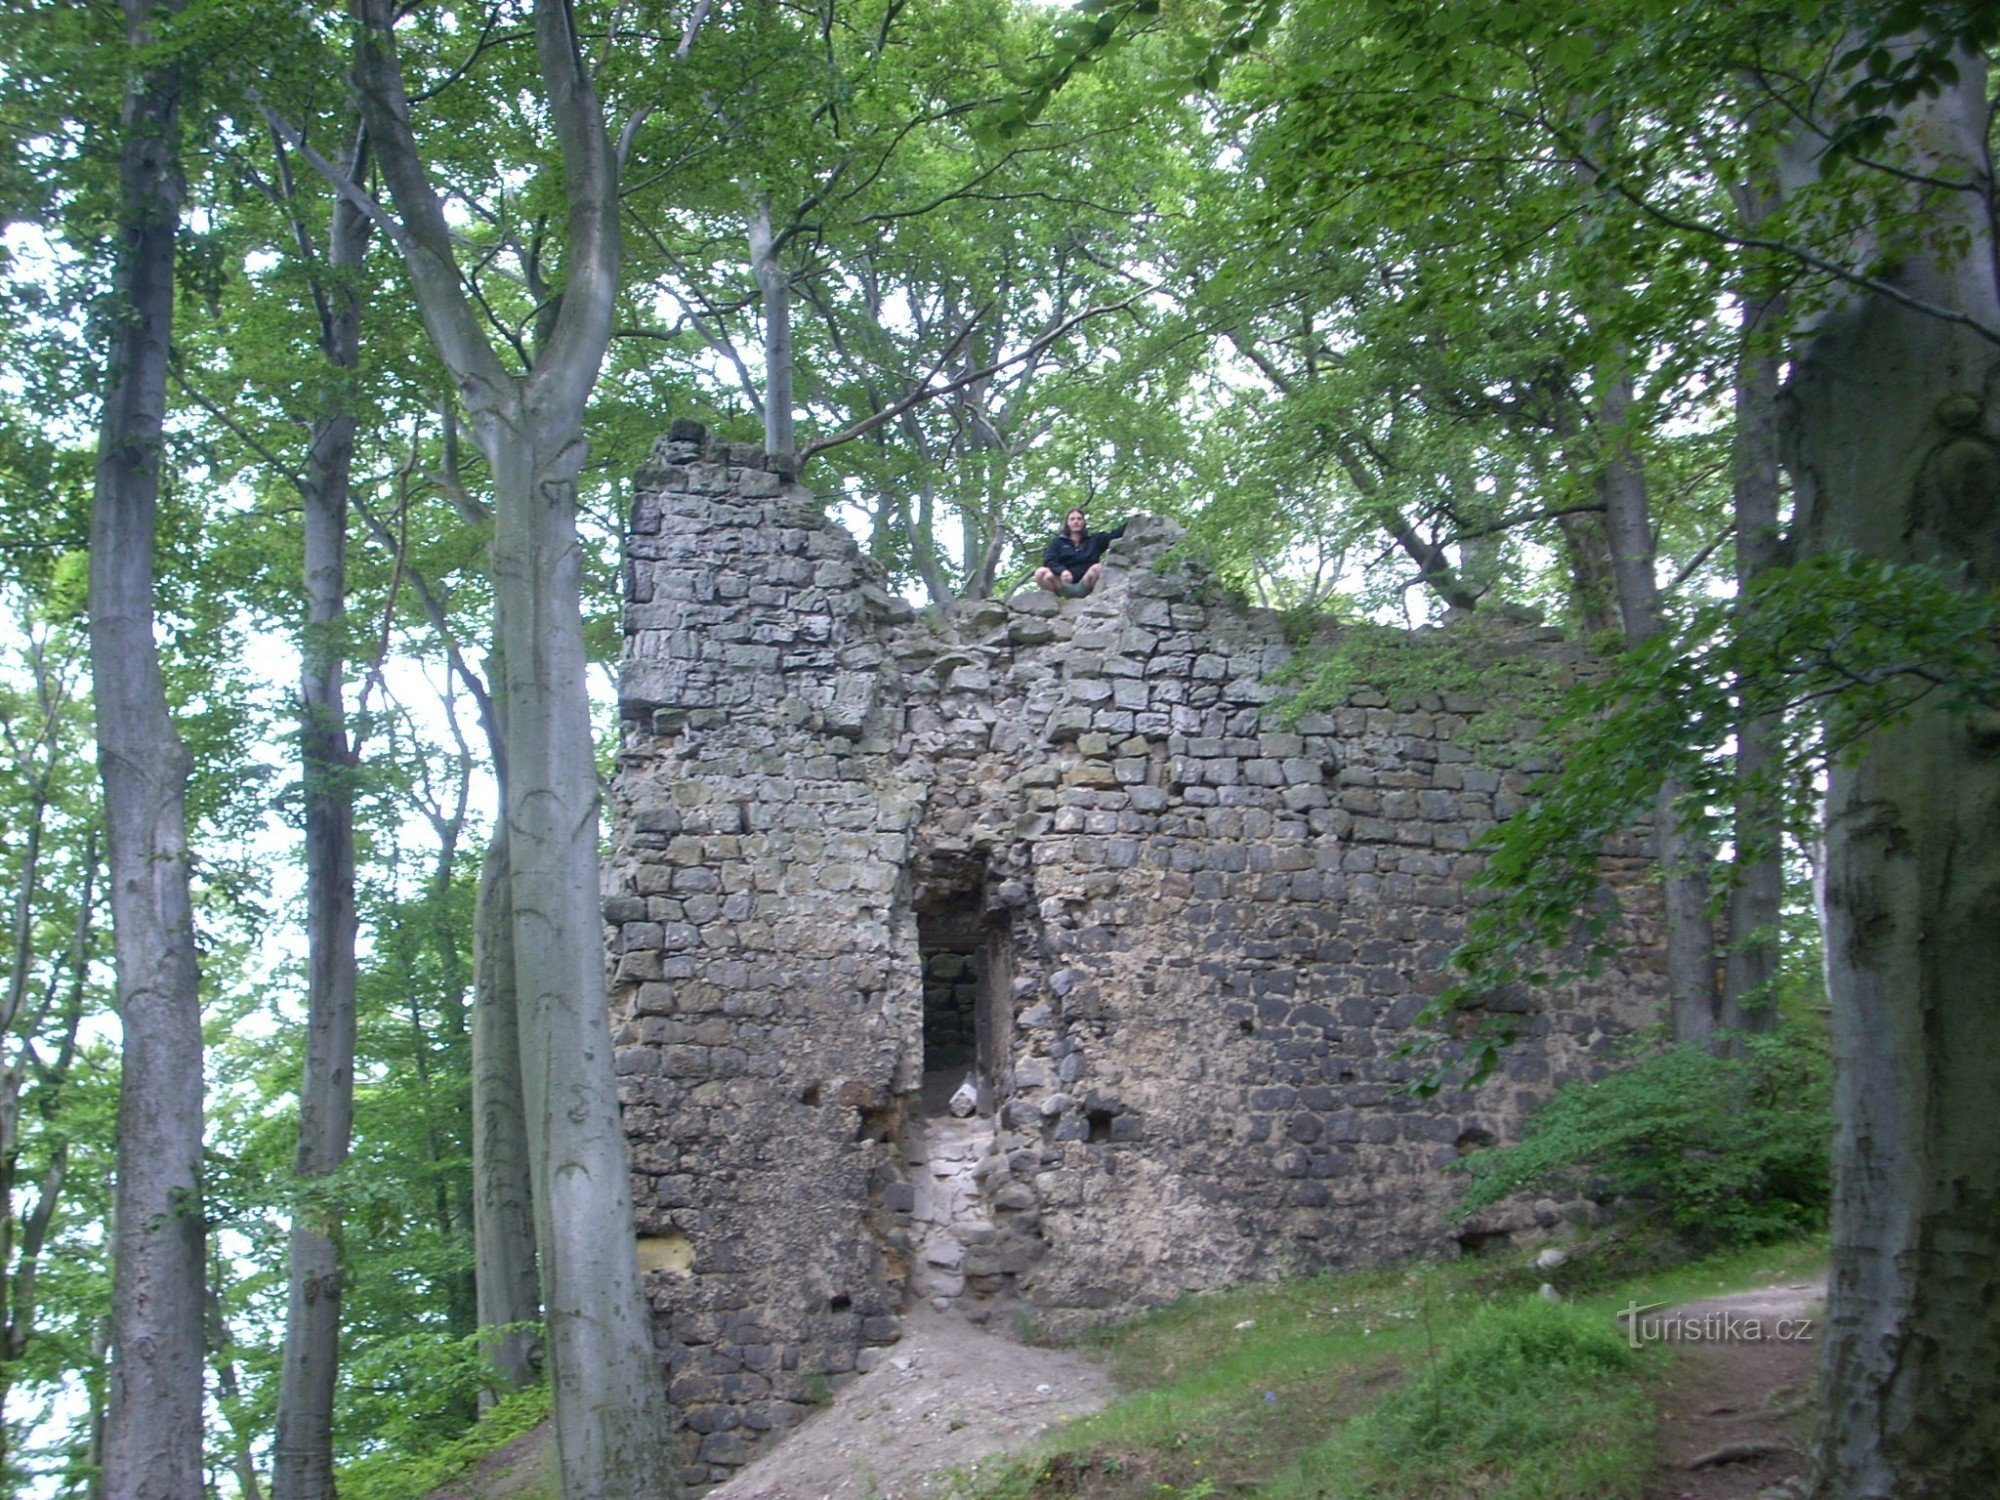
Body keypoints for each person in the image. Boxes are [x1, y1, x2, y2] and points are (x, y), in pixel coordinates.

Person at [1034, 508, 1129, 598]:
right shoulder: (1058, 543)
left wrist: (1133, 520)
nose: (1076, 521)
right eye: (1072, 519)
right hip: (1062, 585)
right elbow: (1049, 561)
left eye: (1079, 519)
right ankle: (1052, 602)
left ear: (1083, 522)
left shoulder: (1094, 540)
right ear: (1067, 523)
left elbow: (1114, 534)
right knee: (1041, 572)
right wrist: (1062, 571)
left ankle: (1096, 598)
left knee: (1098, 568)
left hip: (1086, 583)